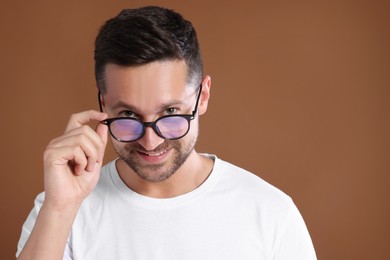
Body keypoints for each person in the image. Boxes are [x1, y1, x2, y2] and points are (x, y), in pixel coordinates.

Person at [16, 6, 317, 260]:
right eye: (129, 115)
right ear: (104, 105)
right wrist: (60, 209)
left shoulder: (271, 214)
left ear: (203, 97)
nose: (151, 141)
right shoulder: (59, 209)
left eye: (170, 113)